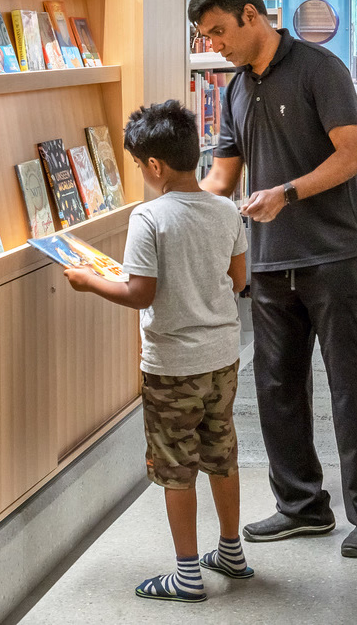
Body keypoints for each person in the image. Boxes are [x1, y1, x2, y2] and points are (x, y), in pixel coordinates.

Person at [188, 0, 357, 560]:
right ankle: (302, 506)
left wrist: (286, 191)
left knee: (349, 385)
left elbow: (352, 155)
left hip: (331, 254)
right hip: (268, 261)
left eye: (218, 32)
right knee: (276, 387)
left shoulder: (318, 68)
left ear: (252, 16)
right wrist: (182, 209)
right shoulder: (234, 89)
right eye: (205, 37)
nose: (214, 45)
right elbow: (224, 176)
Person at [63, 100, 250, 603]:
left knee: (174, 465)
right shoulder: (226, 208)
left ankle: (187, 574)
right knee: (221, 452)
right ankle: (231, 550)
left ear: (154, 166)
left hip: (171, 365)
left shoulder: (149, 218)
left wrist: (88, 282)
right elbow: (239, 279)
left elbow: (139, 294)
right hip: (222, 357)